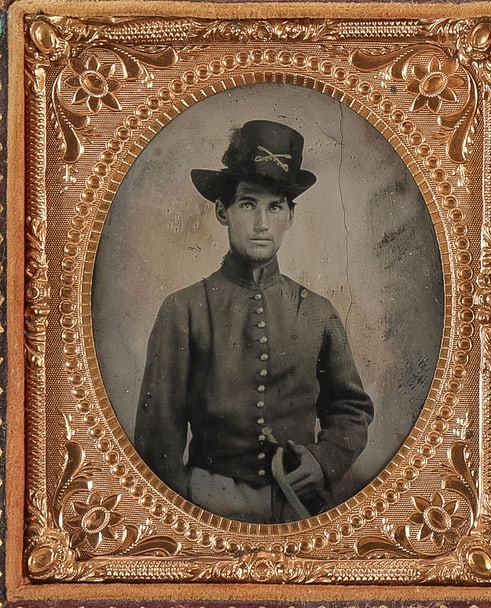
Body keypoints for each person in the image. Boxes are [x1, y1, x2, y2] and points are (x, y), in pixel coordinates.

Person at [135, 120, 374, 524]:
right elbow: (158, 438)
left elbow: (351, 409)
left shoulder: (318, 313)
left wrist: (323, 461)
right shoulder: (183, 310)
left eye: (275, 206)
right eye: (248, 204)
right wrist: (180, 516)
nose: (262, 223)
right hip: (208, 503)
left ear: (290, 216)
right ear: (222, 211)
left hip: (297, 507)